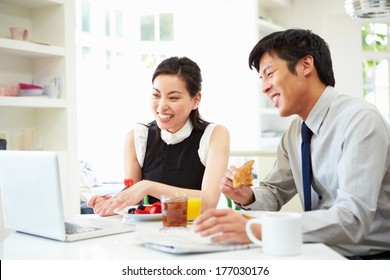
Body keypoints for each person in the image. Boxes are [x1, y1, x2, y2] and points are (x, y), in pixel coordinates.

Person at [194, 29, 390, 259]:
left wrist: (258, 229)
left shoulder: (359, 120)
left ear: (306, 65)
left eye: (269, 74)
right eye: (261, 79)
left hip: (371, 258)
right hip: (316, 250)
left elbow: (353, 218)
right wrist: (248, 196)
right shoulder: (294, 134)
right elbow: (275, 193)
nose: (264, 87)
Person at [88, 56, 230, 217]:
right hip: (145, 234)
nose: (162, 106)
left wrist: (148, 187)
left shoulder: (215, 135)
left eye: (173, 97)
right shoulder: (137, 138)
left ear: (196, 100)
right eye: (156, 95)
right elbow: (133, 199)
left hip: (195, 232)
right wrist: (113, 202)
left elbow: (208, 203)